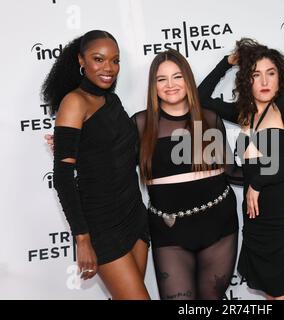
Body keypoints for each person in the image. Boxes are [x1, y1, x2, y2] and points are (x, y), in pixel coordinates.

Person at [199, 38, 284, 300]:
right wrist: (227, 62)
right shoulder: (243, 113)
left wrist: (257, 182)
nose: (264, 82)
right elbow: (200, 97)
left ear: (280, 77)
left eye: (271, 73)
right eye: (256, 74)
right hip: (258, 220)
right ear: (246, 80)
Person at [41, 30, 150, 299]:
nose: (109, 68)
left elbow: (124, 152)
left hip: (134, 214)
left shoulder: (111, 100)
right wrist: (83, 238)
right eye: (98, 59)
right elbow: (64, 178)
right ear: (81, 61)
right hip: (101, 225)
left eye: (115, 60)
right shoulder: (74, 102)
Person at [132, 49, 240, 300]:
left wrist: (279, 172)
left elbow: (231, 170)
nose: (170, 85)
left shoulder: (209, 119)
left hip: (219, 226)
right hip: (168, 231)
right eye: (162, 79)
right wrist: (74, 148)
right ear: (153, 86)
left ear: (188, 80)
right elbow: (113, 166)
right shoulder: (140, 124)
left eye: (177, 77)